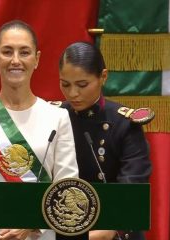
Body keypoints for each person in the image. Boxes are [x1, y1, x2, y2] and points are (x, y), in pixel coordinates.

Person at [0, 20, 79, 240]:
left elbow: (65, 184)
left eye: (24, 52)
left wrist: (32, 223)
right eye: (7, 52)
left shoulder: (58, 117)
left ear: (37, 59)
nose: (15, 60)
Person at [58, 42, 153, 240]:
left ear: (103, 77)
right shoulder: (54, 116)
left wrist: (106, 231)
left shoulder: (124, 123)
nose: (73, 93)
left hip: (111, 230)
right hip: (63, 225)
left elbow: (132, 186)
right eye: (65, 84)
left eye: (82, 85)